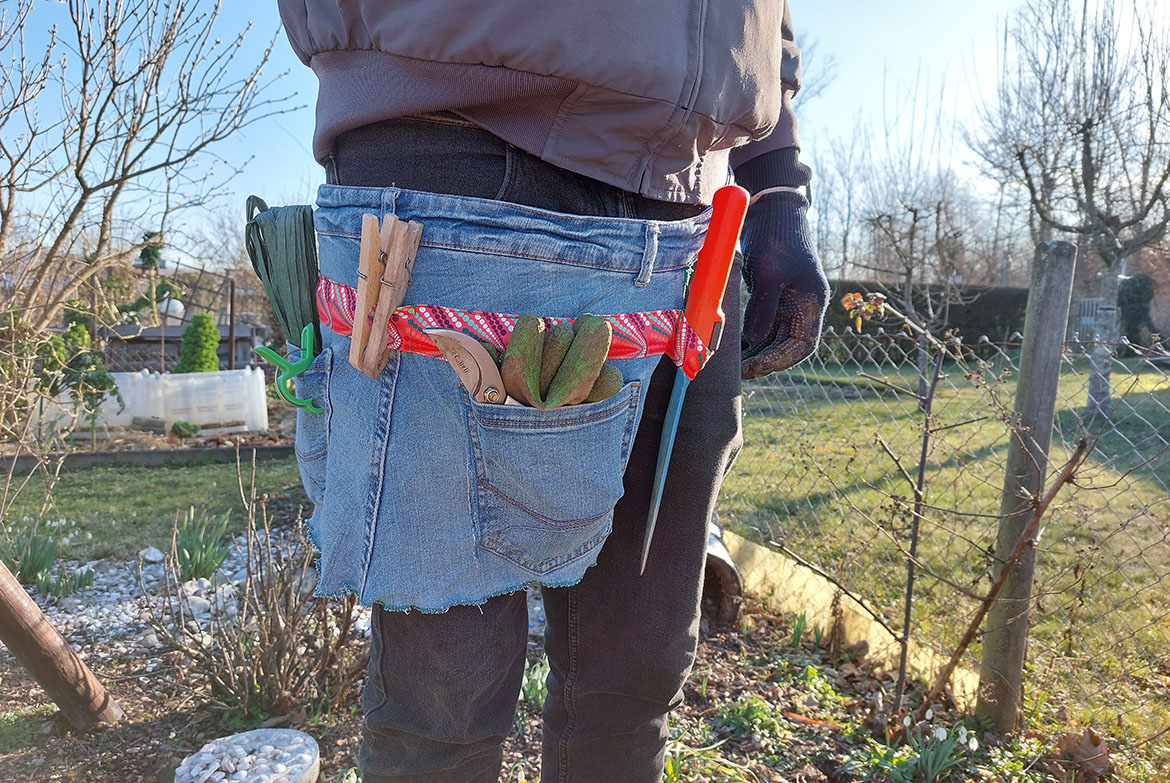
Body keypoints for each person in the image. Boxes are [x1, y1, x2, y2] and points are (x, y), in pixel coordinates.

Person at [277, 1, 829, 780]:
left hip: (694, 212)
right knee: (441, 703)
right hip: (457, 147)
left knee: (635, 680)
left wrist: (776, 183)